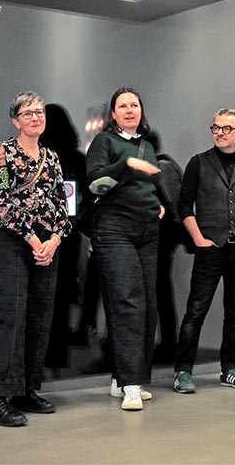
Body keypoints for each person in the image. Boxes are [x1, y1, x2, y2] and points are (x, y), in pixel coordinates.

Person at [0, 91, 71, 427]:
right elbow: (2, 201)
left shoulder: (52, 157)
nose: (35, 117)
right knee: (10, 317)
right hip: (15, 242)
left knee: (39, 316)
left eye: (40, 112)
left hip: (47, 244)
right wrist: (34, 239)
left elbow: (62, 204)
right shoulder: (2, 153)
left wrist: (55, 239)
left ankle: (26, 389)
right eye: (28, 113)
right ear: (15, 120)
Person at [173, 108, 235, 394]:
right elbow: (184, 205)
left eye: (226, 129)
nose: (219, 133)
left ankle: (230, 369)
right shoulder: (199, 163)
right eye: (215, 128)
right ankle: (183, 372)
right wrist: (198, 238)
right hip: (210, 248)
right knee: (196, 310)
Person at [86, 87, 162, 411]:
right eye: (122, 106)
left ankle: (125, 378)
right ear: (113, 113)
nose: (129, 110)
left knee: (148, 306)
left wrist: (160, 206)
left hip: (148, 230)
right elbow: (94, 182)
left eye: (134, 105)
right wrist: (125, 164)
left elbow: (151, 184)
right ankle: (131, 384)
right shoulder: (105, 142)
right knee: (127, 303)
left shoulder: (148, 146)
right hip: (114, 229)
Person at [39, 103, 88, 378]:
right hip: (67, 234)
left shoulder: (38, 157)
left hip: (38, 234)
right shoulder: (76, 158)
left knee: (38, 298)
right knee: (60, 299)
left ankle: (35, 359)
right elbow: (85, 199)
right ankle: (55, 359)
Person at [142, 129, 189, 363]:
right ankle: (168, 341)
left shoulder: (161, 167)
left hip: (162, 234)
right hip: (165, 235)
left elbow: (172, 204)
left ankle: (168, 342)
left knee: (159, 288)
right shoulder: (168, 165)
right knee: (160, 288)